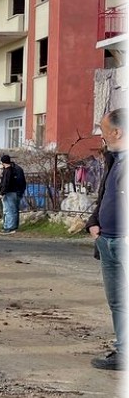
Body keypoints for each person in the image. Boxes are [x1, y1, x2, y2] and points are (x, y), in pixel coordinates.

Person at [87, 109, 125, 371]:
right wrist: (93, 223)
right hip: (107, 241)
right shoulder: (115, 160)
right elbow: (105, 197)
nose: (101, 136)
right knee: (118, 301)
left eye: (103, 131)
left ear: (117, 132)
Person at [0, 154, 27, 234]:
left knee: (9, 210)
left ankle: (9, 227)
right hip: (15, 192)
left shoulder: (7, 171)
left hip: (9, 193)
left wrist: (2, 193)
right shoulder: (15, 169)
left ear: (3, 162)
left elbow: (6, 183)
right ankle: (11, 226)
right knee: (13, 210)